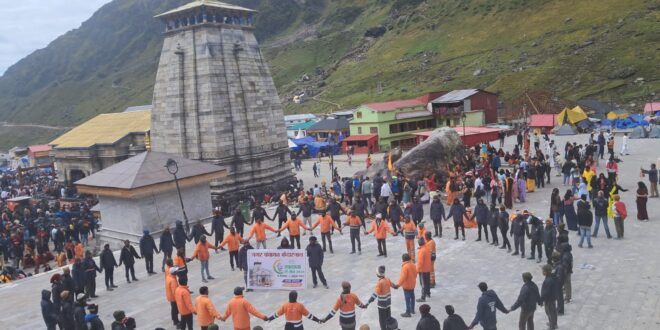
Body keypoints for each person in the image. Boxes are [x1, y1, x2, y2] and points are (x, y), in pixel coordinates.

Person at [366, 265, 395, 330]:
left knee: (382, 320)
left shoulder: (380, 283)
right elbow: (394, 286)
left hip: (382, 305)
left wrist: (367, 303)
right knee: (388, 318)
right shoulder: (387, 279)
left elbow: (374, 295)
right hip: (388, 303)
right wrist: (398, 285)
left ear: (378, 274)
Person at [393, 253, 417, 317]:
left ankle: (408, 312)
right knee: (412, 297)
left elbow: (402, 278)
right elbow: (415, 274)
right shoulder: (413, 265)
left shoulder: (405, 267)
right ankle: (412, 309)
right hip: (412, 284)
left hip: (407, 285)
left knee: (407, 298)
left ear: (403, 259)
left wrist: (398, 285)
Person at [540, 264, 558, 330]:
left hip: (549, 299)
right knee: (553, 311)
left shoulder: (548, 281)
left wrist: (541, 300)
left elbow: (546, 293)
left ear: (546, 272)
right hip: (553, 297)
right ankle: (554, 323)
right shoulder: (552, 277)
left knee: (549, 312)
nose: (542, 272)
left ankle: (552, 326)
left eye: (543, 271)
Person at [416, 238, 432, 302]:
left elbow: (420, 263)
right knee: (427, 282)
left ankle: (423, 297)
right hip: (428, 267)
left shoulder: (421, 251)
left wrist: (417, 271)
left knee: (423, 284)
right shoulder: (427, 248)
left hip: (423, 270)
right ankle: (428, 293)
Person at [165, 261, 180, 328]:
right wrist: (178, 298)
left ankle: (174, 319)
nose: (177, 272)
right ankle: (176, 321)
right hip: (173, 297)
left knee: (173, 308)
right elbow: (174, 291)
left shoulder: (168, 276)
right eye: (176, 271)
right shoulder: (173, 280)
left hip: (170, 295)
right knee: (175, 309)